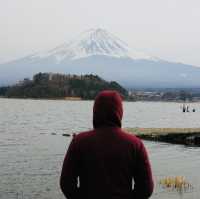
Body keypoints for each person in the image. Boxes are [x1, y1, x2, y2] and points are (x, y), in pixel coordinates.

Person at [60, 90, 154, 199]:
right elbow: (146, 188)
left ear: (95, 112)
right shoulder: (135, 144)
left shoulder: (79, 142)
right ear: (120, 112)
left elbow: (66, 183)